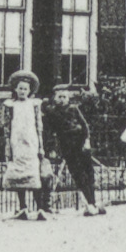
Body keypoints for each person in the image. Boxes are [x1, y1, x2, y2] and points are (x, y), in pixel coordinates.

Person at [45, 88, 105, 216]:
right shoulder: (52, 112)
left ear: (68, 99)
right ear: (55, 98)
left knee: (89, 173)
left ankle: (92, 203)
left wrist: (87, 141)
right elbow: (50, 131)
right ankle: (90, 203)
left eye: (64, 97)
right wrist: (53, 148)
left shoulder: (74, 109)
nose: (62, 99)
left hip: (81, 143)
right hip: (67, 146)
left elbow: (85, 125)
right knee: (78, 174)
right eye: (59, 97)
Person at [3, 71, 50, 220]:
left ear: (30, 91)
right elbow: (7, 127)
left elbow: (39, 126)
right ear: (15, 89)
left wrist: (41, 146)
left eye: (25, 89)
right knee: (19, 176)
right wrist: (8, 147)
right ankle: (23, 207)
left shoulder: (34, 104)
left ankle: (40, 208)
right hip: (16, 144)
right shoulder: (11, 105)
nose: (22, 91)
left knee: (34, 174)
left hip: (31, 144)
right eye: (20, 88)